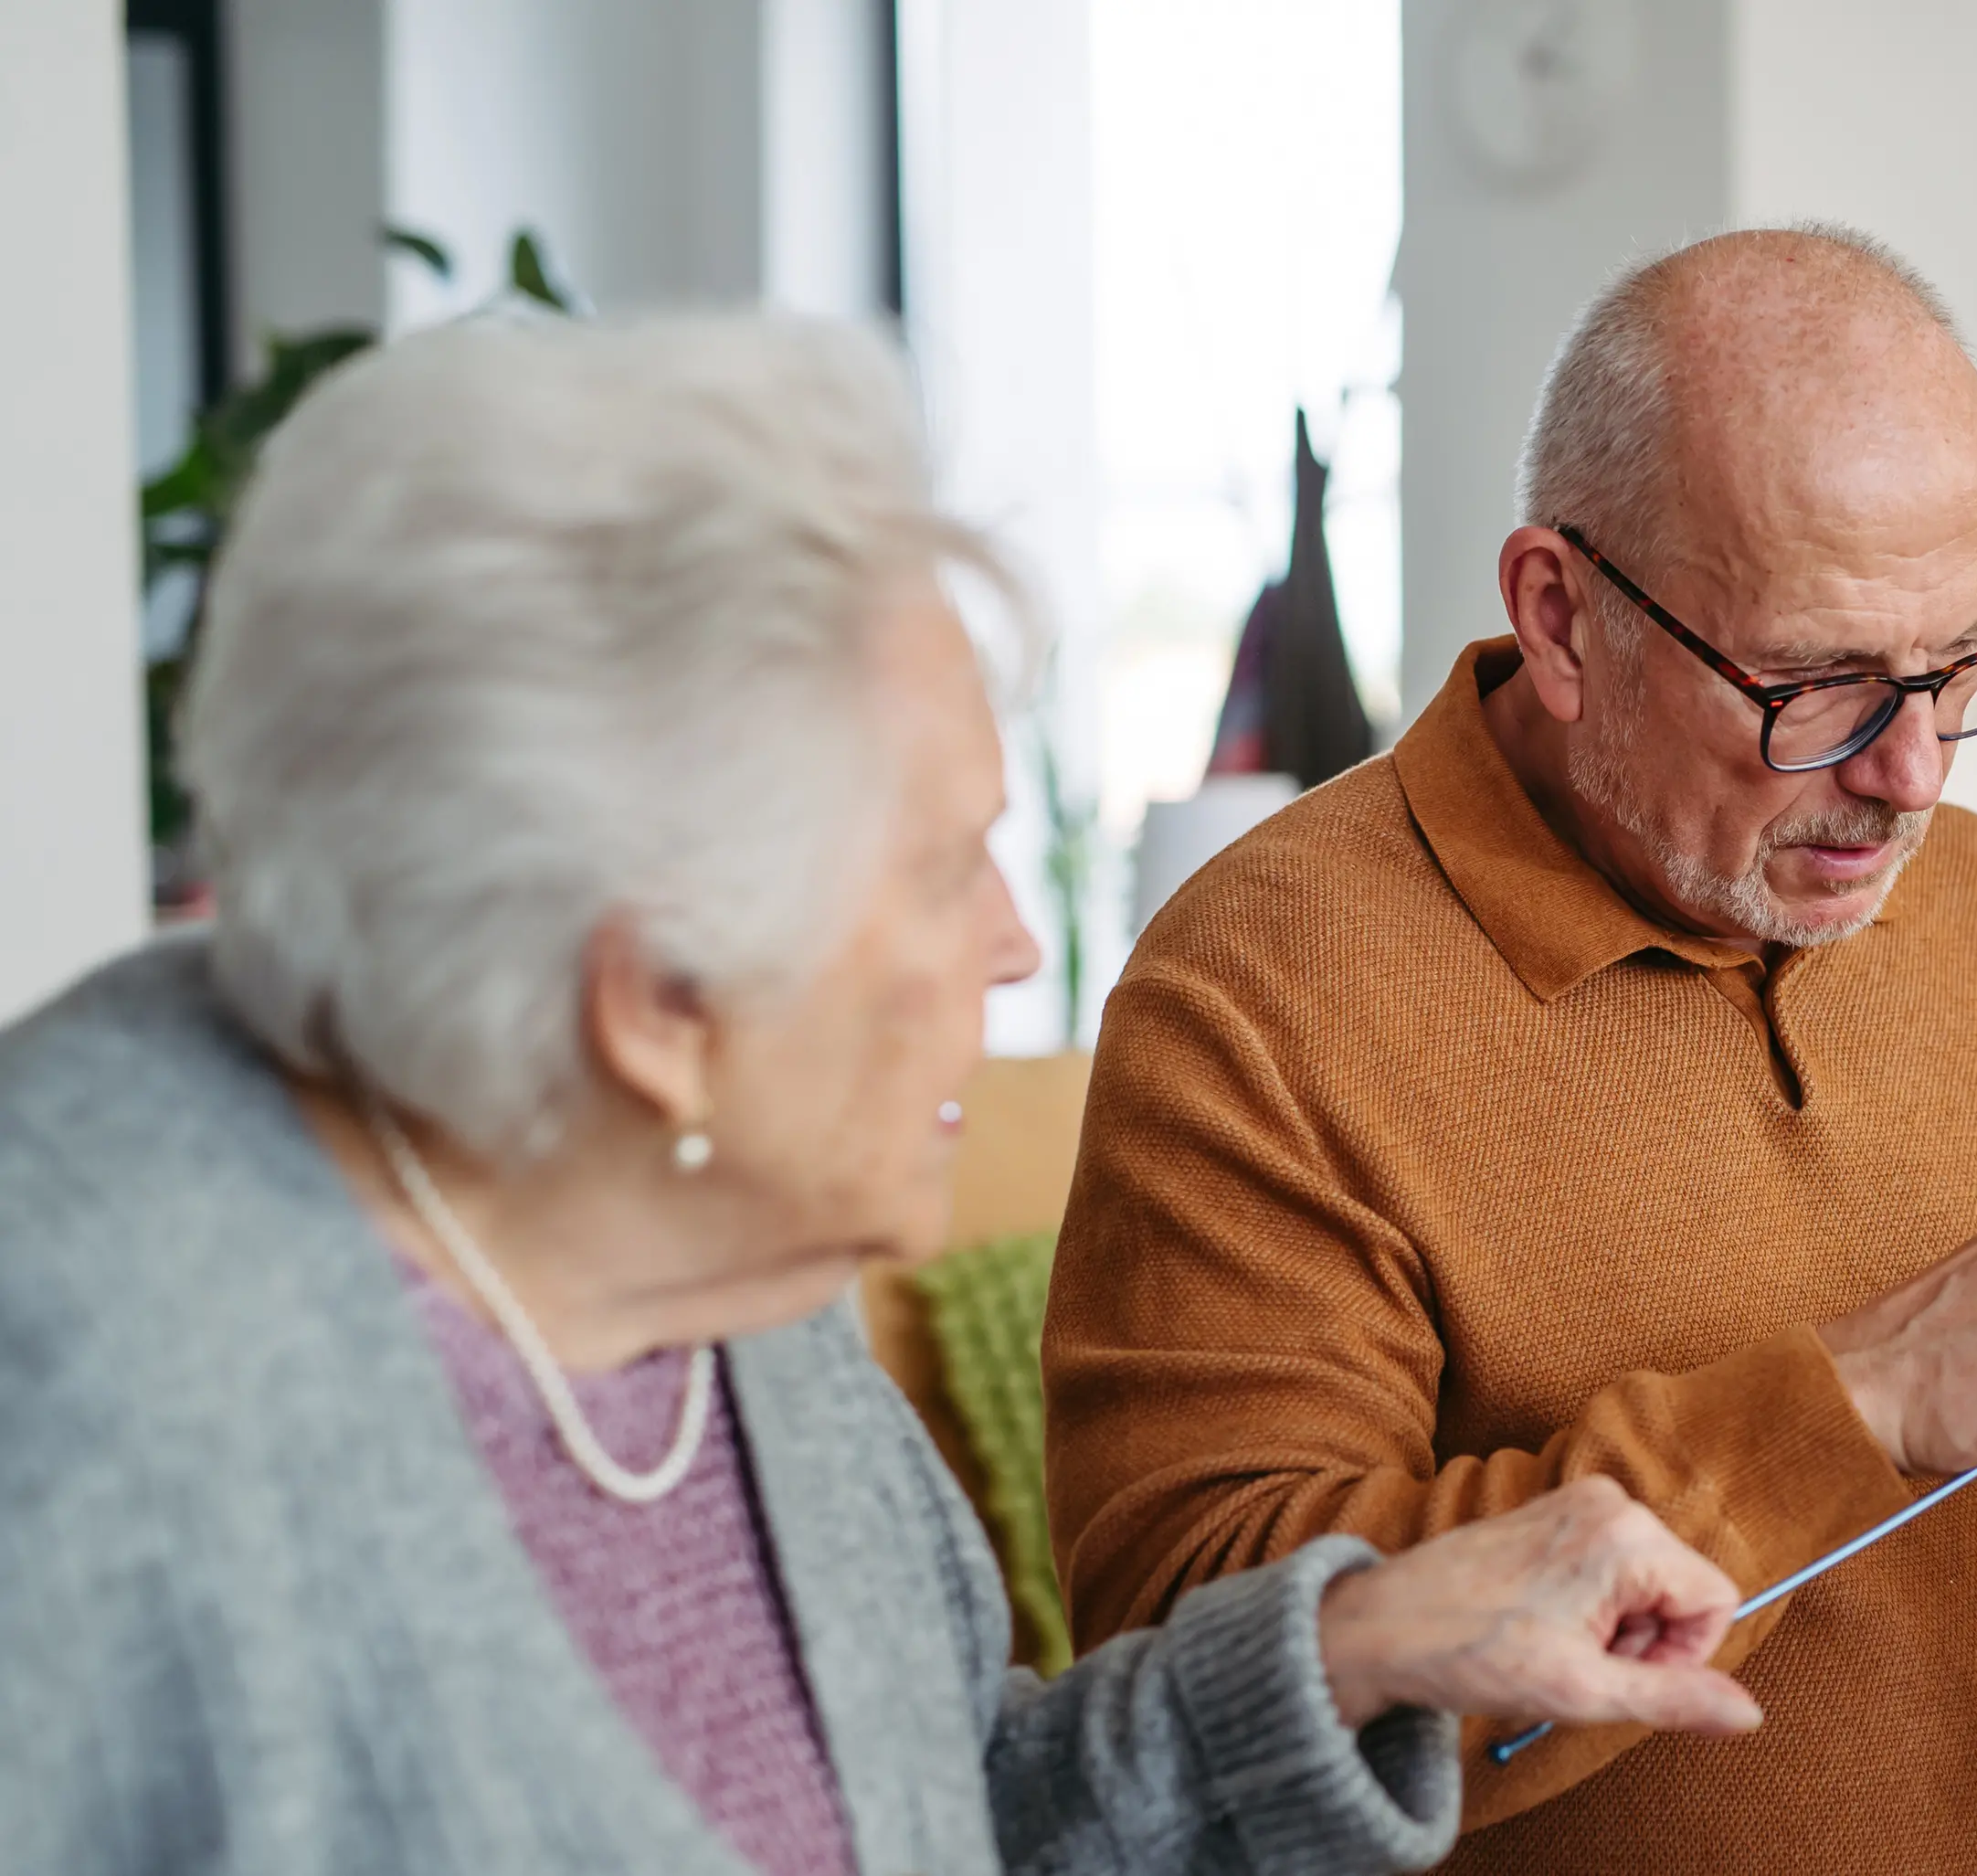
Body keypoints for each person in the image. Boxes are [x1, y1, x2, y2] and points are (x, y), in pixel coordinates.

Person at [0, 316, 1773, 1876]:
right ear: (659, 1010)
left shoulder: (700, 1260)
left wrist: (1358, 1645)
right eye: (945, 869)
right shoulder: (91, 1427)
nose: (1017, 945)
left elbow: (937, 1812)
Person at [1041, 225, 1977, 1874]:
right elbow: (1203, 1713)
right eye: (1822, 684)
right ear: (1562, 618)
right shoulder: (1258, 990)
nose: (1917, 775)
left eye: (1962, 664)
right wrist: (1851, 1407)